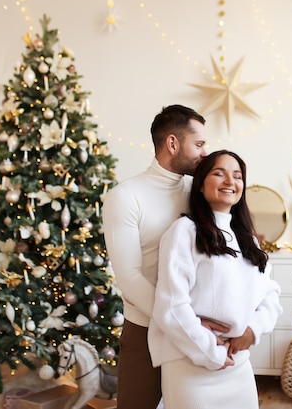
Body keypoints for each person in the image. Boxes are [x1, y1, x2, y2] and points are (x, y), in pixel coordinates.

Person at [103, 104, 218, 409]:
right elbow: (129, 277)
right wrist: (180, 319)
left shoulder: (199, 192)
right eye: (199, 144)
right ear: (172, 143)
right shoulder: (126, 197)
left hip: (198, 327)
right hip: (146, 329)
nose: (205, 153)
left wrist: (194, 325)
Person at [148, 150, 283, 409]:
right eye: (218, 173)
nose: (229, 182)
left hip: (238, 364)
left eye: (237, 176)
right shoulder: (185, 232)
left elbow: (270, 296)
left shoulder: (249, 240)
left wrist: (252, 330)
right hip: (190, 364)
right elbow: (171, 306)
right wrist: (211, 351)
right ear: (200, 183)